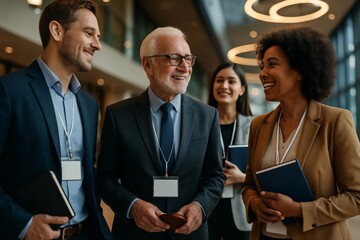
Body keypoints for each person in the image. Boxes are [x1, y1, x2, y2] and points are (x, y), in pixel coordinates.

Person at [96, 26, 225, 239]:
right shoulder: (118, 115)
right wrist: (132, 206)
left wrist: (200, 207)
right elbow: (105, 178)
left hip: (190, 234)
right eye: (174, 58)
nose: (185, 67)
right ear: (148, 64)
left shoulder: (207, 116)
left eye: (188, 59)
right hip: (135, 234)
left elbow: (215, 176)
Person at [0, 0, 112, 239]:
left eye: (98, 36)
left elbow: (88, 175)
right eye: (89, 33)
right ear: (57, 31)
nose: (97, 45)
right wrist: (23, 224)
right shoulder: (9, 92)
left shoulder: (89, 105)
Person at [242, 26, 360, 240]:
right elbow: (249, 184)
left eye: (272, 64)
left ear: (300, 72)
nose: (262, 73)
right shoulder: (259, 125)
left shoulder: (335, 121)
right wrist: (254, 203)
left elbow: (356, 196)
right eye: (262, 65)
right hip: (266, 235)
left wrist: (298, 210)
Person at [207, 62, 253, 240]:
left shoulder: (254, 127)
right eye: (219, 80)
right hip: (207, 211)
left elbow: (265, 174)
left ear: (242, 89)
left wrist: (242, 177)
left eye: (231, 81)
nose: (224, 86)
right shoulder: (201, 125)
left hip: (240, 213)